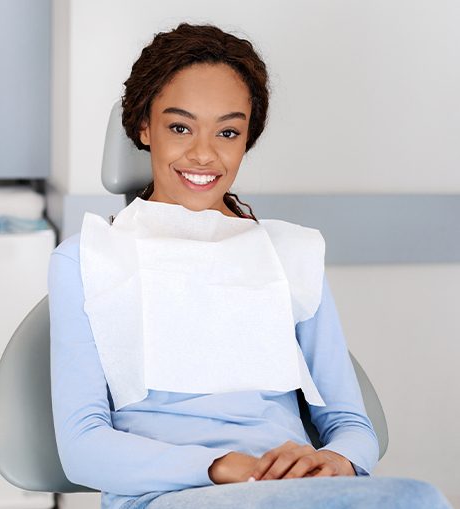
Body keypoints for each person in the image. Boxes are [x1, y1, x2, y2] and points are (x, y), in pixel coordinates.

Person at [48, 23, 452, 509]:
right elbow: (82, 447)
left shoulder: (288, 254)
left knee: (418, 497)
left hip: (289, 492)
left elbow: (352, 426)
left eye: (227, 131)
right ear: (143, 127)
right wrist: (220, 467)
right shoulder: (89, 256)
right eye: (180, 127)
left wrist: (337, 462)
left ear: (246, 139)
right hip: (166, 496)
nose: (203, 153)